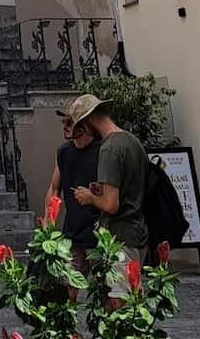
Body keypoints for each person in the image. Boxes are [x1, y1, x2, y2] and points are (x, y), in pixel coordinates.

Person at [68, 94, 149, 305]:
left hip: (121, 235)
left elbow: (111, 205)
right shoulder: (133, 142)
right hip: (138, 231)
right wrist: (99, 192)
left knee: (122, 302)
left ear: (90, 120)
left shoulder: (109, 149)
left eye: (82, 125)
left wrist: (90, 198)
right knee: (131, 295)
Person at [44, 114, 101, 294]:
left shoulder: (100, 151)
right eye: (63, 122)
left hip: (97, 231)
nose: (64, 127)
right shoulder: (64, 152)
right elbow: (54, 188)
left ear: (84, 125)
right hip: (73, 230)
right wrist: (48, 221)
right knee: (69, 284)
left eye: (69, 122)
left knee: (104, 287)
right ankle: (69, 320)